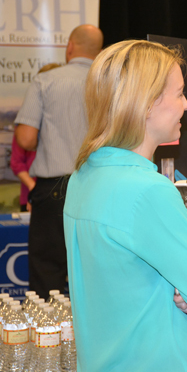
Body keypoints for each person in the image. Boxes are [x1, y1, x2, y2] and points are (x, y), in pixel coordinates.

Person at [63, 40, 187, 371]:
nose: (185, 105)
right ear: (147, 104)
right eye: (179, 92)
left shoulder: (83, 177)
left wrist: (186, 289)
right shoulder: (147, 192)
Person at [14, 24, 103, 299]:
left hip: (54, 191)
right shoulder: (109, 82)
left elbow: (26, 140)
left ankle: (50, 340)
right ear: (99, 51)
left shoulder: (46, 81)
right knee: (96, 274)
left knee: (46, 276)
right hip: (100, 189)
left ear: (69, 47)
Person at [10, 64, 61, 212]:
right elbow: (17, 163)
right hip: (32, 197)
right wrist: (36, 190)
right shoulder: (25, 125)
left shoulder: (65, 121)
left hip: (61, 197)